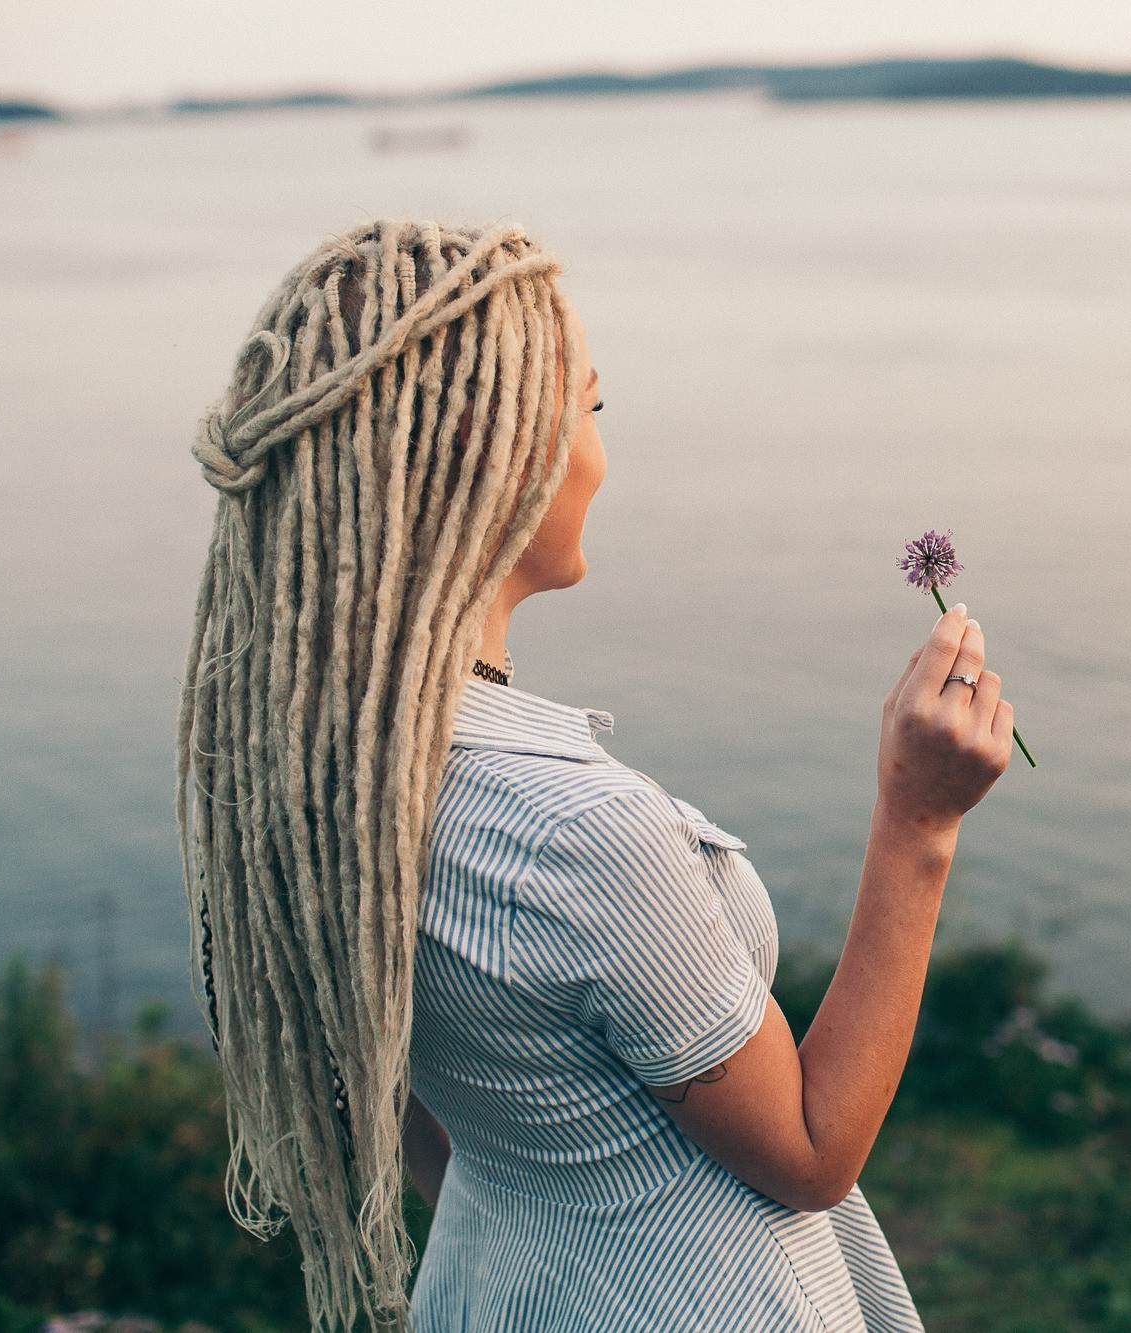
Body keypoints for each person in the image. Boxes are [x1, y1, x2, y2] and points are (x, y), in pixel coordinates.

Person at [180, 221, 1014, 1331]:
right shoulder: (573, 833)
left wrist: (548, 1174)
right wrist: (917, 820)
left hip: (499, 1281)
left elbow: (424, 1103)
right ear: (504, 452)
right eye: (592, 408)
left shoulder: (332, 775)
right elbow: (813, 1153)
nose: (602, 451)